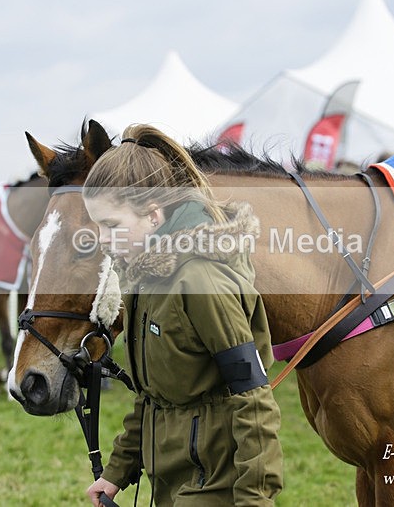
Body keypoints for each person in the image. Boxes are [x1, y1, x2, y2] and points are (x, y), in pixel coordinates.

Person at [83, 125, 283, 506]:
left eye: (111, 225)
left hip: (216, 483)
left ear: (154, 216)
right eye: (97, 225)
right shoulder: (143, 275)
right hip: (172, 482)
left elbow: (253, 396)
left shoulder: (201, 280)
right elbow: (151, 395)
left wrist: (255, 499)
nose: (103, 238)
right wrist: (116, 473)